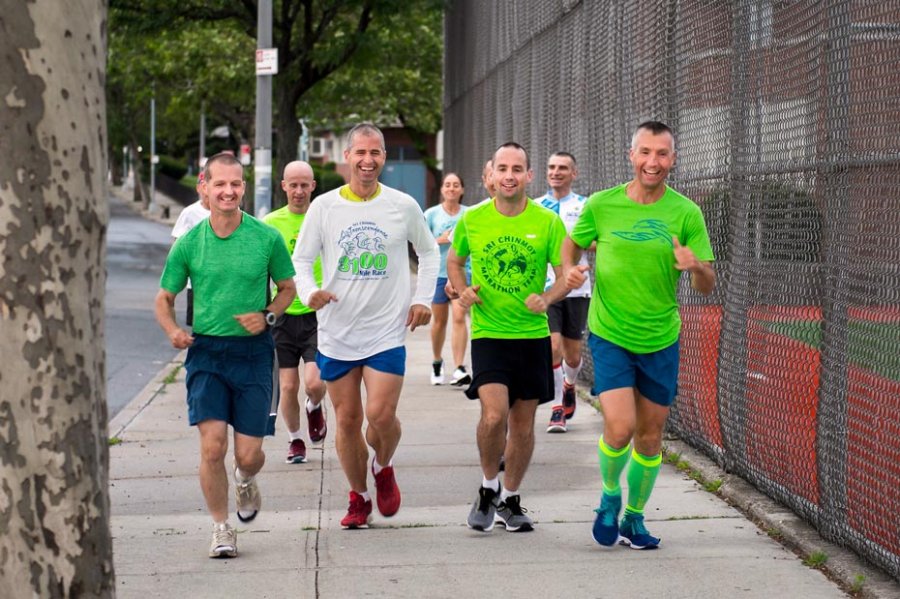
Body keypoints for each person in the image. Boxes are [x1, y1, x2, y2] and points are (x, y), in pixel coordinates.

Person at [563, 121, 715, 549]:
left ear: (673, 158)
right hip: (610, 333)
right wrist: (568, 271)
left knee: (650, 437)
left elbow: (707, 283)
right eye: (645, 152)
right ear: (632, 156)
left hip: (661, 337)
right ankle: (610, 496)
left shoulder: (686, 213)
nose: (653, 162)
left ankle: (634, 518)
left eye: (662, 154)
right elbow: (573, 244)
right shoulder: (602, 204)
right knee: (619, 426)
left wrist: (696, 266)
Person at [293, 123, 440, 529]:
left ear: (383, 159)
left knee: (380, 415)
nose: (367, 160)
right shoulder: (324, 208)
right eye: (360, 152)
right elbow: (301, 261)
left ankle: (384, 464)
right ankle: (358, 497)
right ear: (348, 156)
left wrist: (422, 299)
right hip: (337, 331)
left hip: (385, 330)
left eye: (375, 153)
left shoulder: (402, 205)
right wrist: (309, 293)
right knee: (348, 421)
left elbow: (428, 254)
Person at [155, 153, 297, 558]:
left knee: (248, 454)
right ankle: (221, 527)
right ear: (204, 186)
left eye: (236, 184)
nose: (228, 191)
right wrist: (173, 331)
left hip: (253, 354)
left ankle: (245, 478)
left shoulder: (265, 238)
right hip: (207, 354)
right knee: (212, 446)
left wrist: (268, 315)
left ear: (243, 189)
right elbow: (164, 299)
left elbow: (288, 288)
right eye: (220, 184)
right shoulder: (189, 243)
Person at [448, 142, 569, 533]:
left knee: (522, 426)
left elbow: (566, 272)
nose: (510, 175)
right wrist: (461, 290)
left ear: (529, 176)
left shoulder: (547, 222)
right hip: (489, 334)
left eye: (518, 169)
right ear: (492, 174)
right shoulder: (474, 219)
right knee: (494, 415)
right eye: (503, 168)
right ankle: (488, 487)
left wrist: (547, 297)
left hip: (531, 335)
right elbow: (454, 260)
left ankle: (511, 499)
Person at [263, 161, 328, 464]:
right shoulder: (271, 223)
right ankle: (295, 439)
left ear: (313, 186)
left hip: (318, 313)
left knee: (315, 382)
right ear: (283, 186)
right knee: (288, 385)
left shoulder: (325, 217)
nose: (299, 191)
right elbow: (259, 268)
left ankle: (314, 406)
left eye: (305, 185)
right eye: (294, 185)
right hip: (285, 315)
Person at [534, 152, 592, 433]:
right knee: (552, 346)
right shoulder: (536, 207)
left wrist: (577, 243)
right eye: (552, 167)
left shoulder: (584, 206)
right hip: (547, 288)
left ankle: (569, 384)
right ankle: (557, 407)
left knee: (572, 354)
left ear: (574, 173)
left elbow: (596, 240)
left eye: (562, 168)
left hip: (577, 288)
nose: (556, 172)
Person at [424, 172, 470, 386]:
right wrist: (440, 240)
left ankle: (460, 367)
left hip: (462, 273)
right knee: (439, 322)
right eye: (448, 185)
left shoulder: (469, 214)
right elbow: (419, 245)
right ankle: (436, 360)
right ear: (442, 190)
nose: (451, 188)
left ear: (462, 190)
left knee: (460, 316)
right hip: (439, 274)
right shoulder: (431, 214)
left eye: (456, 185)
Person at [170, 171, 211, 327]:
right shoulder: (189, 213)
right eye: (203, 186)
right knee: (198, 327)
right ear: (198, 188)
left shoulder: (226, 211)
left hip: (221, 280)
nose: (207, 191)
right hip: (196, 282)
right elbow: (177, 243)